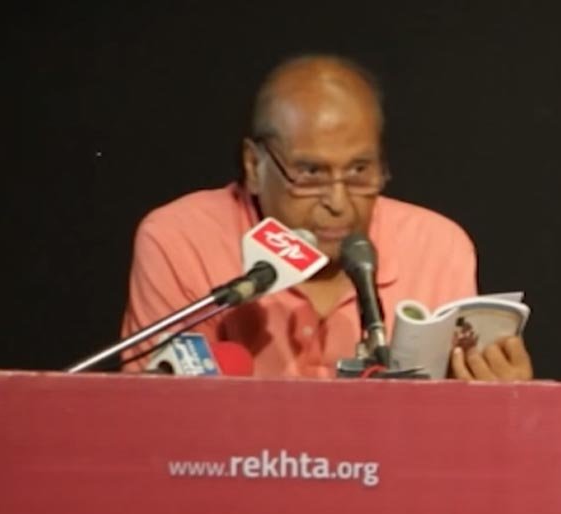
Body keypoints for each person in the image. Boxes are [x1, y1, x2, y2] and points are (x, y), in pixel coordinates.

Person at [120, 54, 532, 382]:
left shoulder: (436, 248)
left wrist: (508, 402)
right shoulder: (182, 238)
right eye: (311, 173)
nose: (338, 202)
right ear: (254, 165)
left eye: (359, 171)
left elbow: (456, 430)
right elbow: (154, 419)